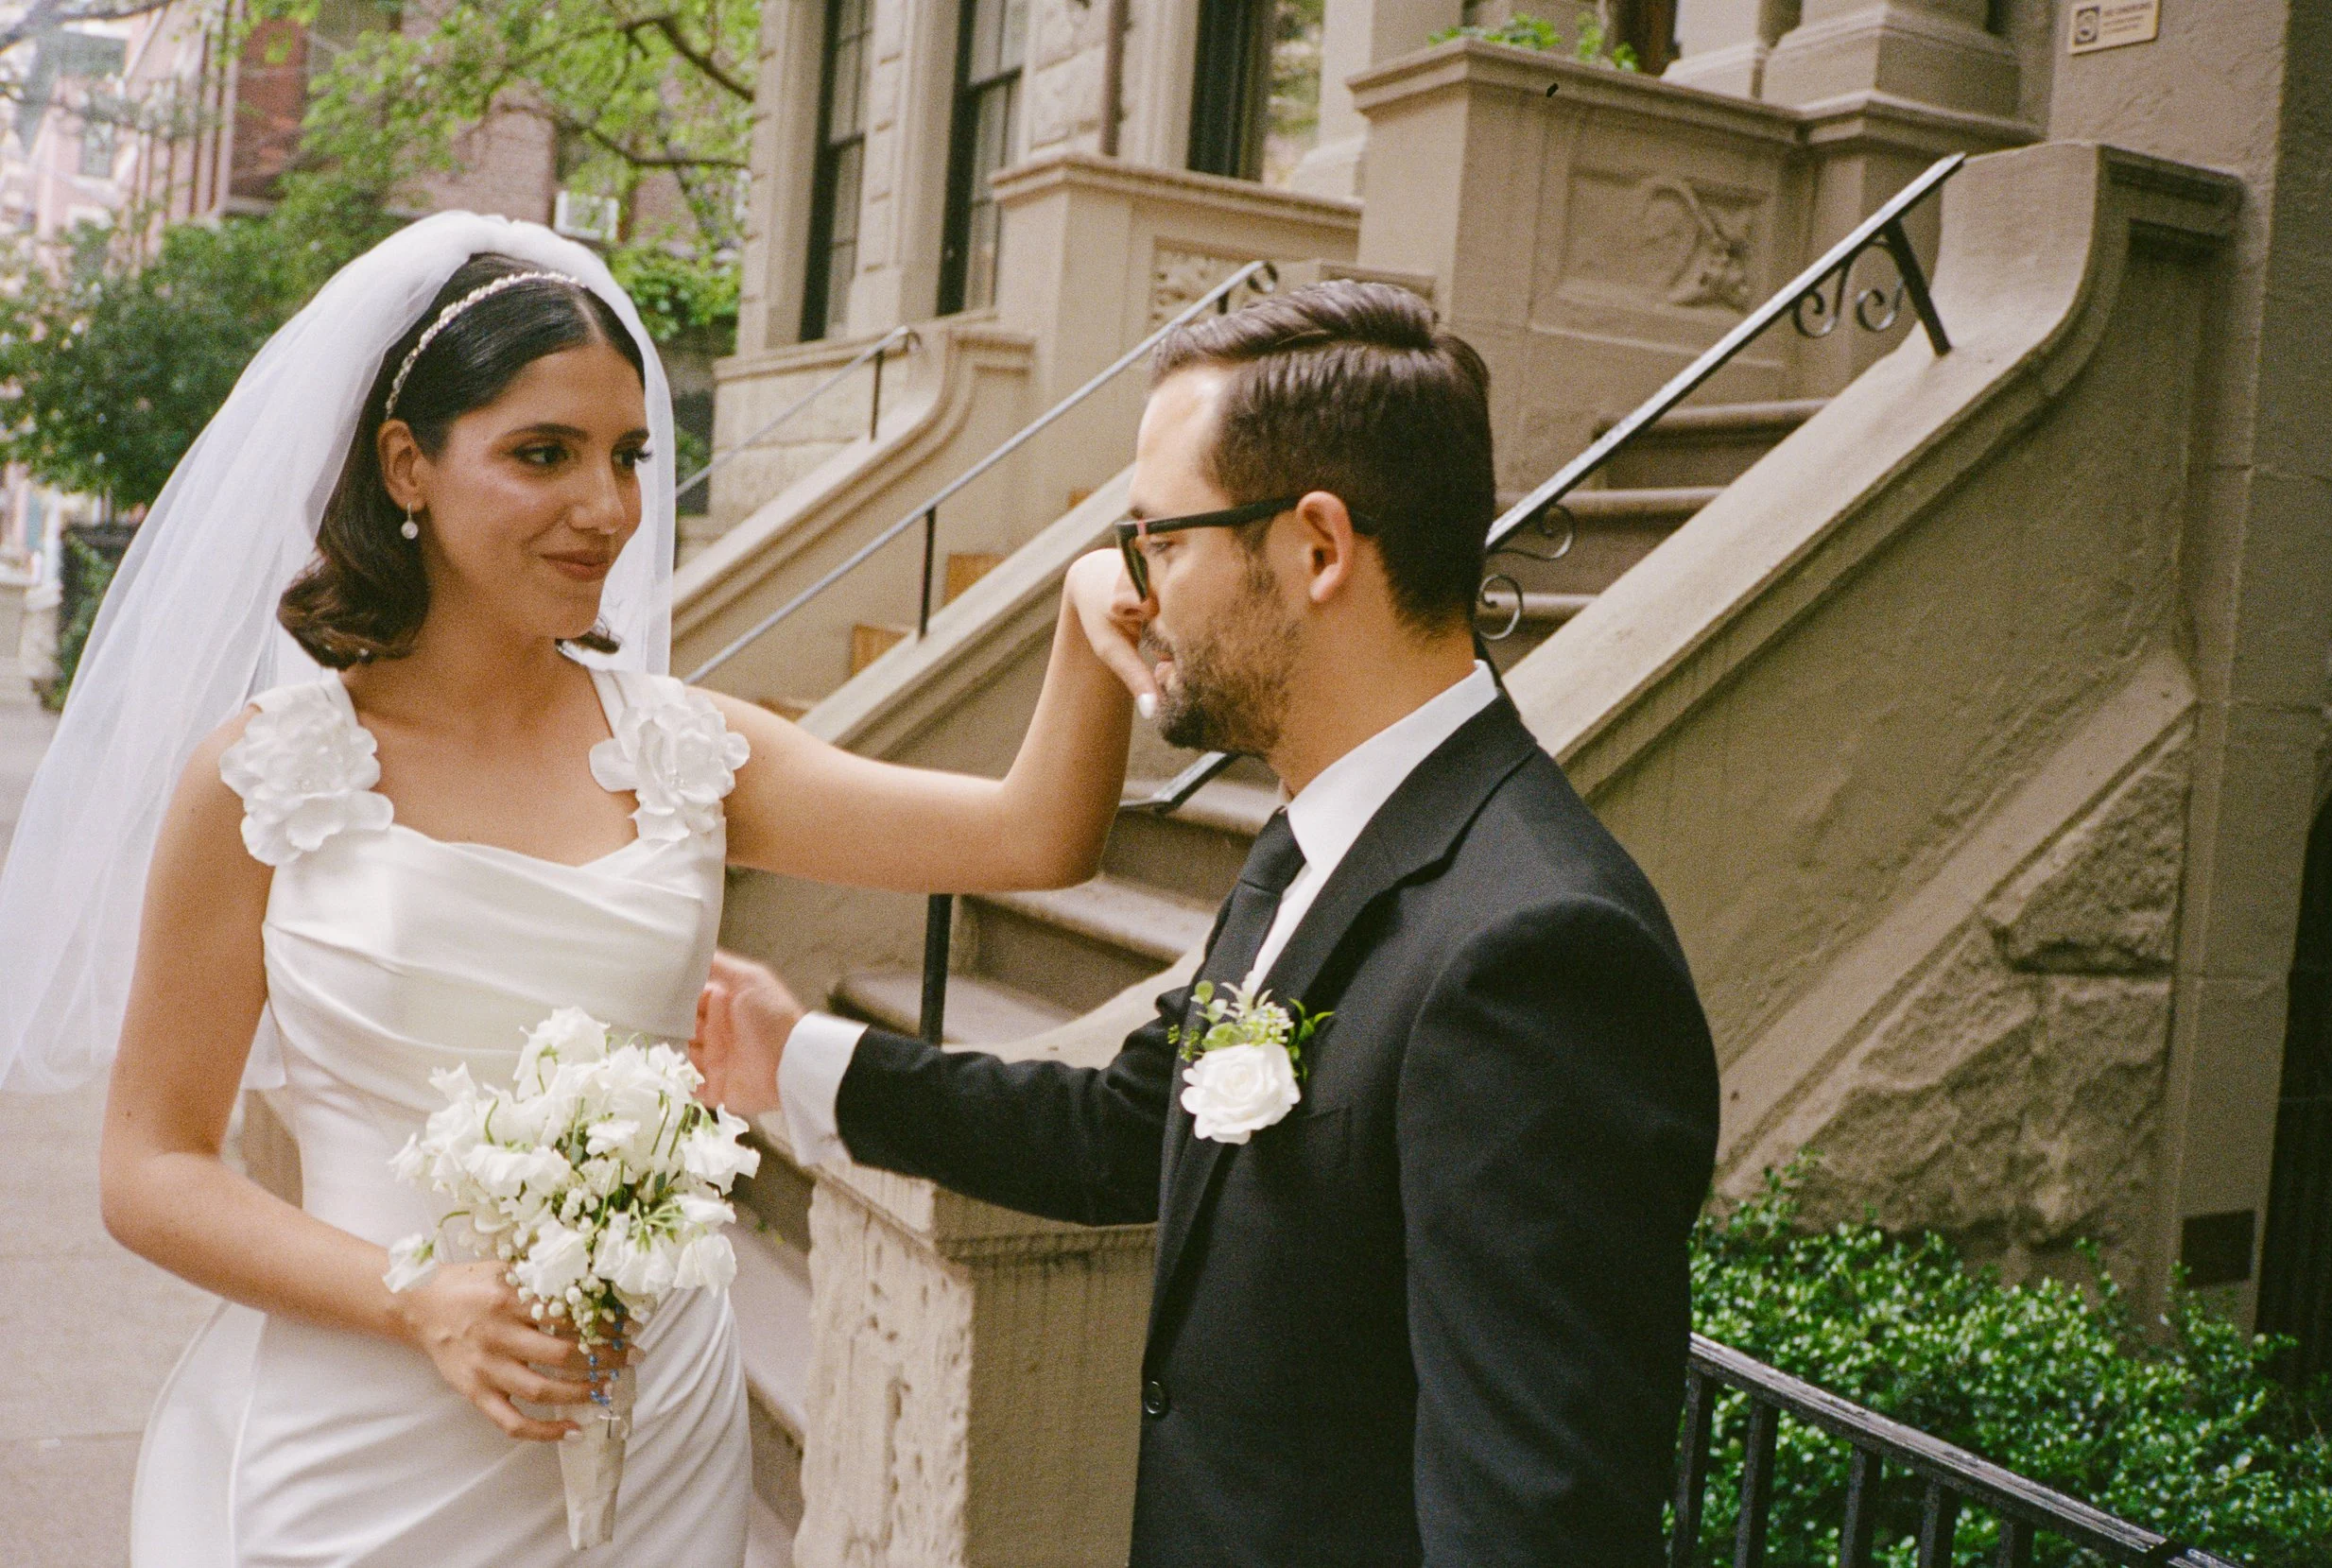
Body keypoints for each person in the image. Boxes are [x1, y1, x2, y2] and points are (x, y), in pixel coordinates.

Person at [0, 215, 1149, 1563]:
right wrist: (418, 1296)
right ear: (407, 463)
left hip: (648, 1419)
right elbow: (149, 1167)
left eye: (628, 456)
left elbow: (1032, 838)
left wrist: (1083, 612)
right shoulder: (263, 781)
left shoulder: (688, 751)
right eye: (543, 453)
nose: (604, 507)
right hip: (362, 1432)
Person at [690, 281, 1724, 1567]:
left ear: (1318, 549)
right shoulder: (1317, 837)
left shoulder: (1535, 953)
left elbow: (1530, 1527)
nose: (1131, 595)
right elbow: (1138, 1126)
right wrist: (793, 1060)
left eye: (1158, 542)